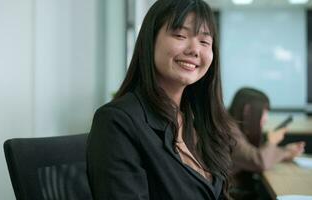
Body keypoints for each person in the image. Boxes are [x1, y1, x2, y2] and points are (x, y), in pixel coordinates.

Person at [86, 0, 238, 199]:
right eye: (180, 35)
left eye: (204, 42)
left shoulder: (197, 122)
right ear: (150, 40)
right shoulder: (116, 121)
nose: (195, 50)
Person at [228, 87, 305, 199]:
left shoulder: (233, 125)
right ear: (247, 110)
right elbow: (259, 161)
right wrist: (272, 141)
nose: (266, 118)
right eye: (264, 112)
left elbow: (253, 154)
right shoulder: (228, 130)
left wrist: (286, 152)